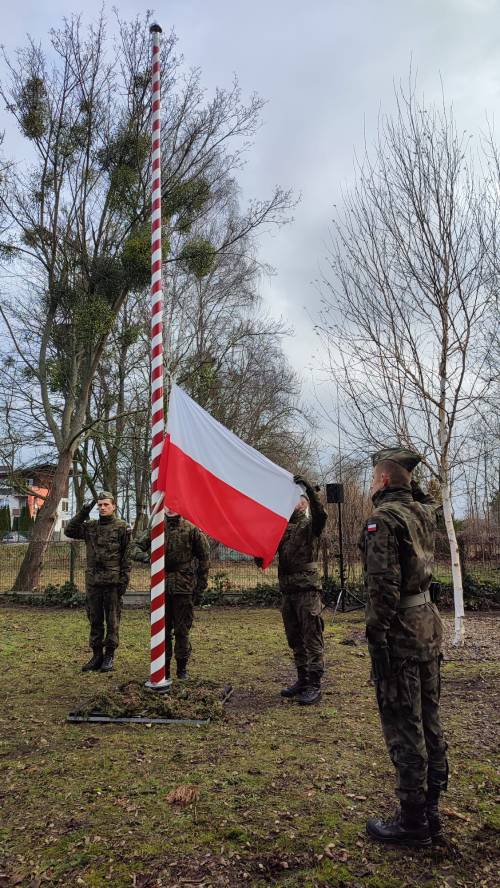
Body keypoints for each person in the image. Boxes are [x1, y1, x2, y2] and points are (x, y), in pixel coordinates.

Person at [360, 447, 448, 848]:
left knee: (403, 723)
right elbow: (427, 499)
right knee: (429, 717)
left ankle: (412, 820)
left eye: (375, 477)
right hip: (428, 625)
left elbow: (383, 589)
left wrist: (376, 637)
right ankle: (431, 808)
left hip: (400, 632)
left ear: (382, 480)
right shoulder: (422, 513)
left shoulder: (384, 520)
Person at [129, 508, 210, 680]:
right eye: (167, 505)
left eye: (174, 504)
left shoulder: (191, 528)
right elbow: (134, 548)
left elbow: (204, 558)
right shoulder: (157, 527)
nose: (170, 508)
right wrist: (148, 558)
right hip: (160, 586)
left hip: (184, 587)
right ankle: (162, 669)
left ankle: (182, 670)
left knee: (182, 630)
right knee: (161, 630)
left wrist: (200, 587)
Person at [273, 475, 327, 705]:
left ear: (304, 503)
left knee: (311, 637)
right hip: (288, 590)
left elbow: (321, 515)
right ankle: (302, 679)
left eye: (296, 499)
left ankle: (314, 684)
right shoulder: (281, 527)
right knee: (294, 638)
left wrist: (311, 491)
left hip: (307, 590)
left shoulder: (309, 526)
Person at [65, 491, 131, 673]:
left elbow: (127, 556)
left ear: (113, 506)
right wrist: (83, 512)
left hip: (112, 581)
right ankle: (96, 655)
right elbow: (69, 531)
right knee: (94, 619)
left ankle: (109, 655)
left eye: (106, 505)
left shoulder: (122, 527)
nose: (102, 507)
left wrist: (123, 580)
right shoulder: (90, 527)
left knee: (112, 620)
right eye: (100, 505)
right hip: (93, 581)